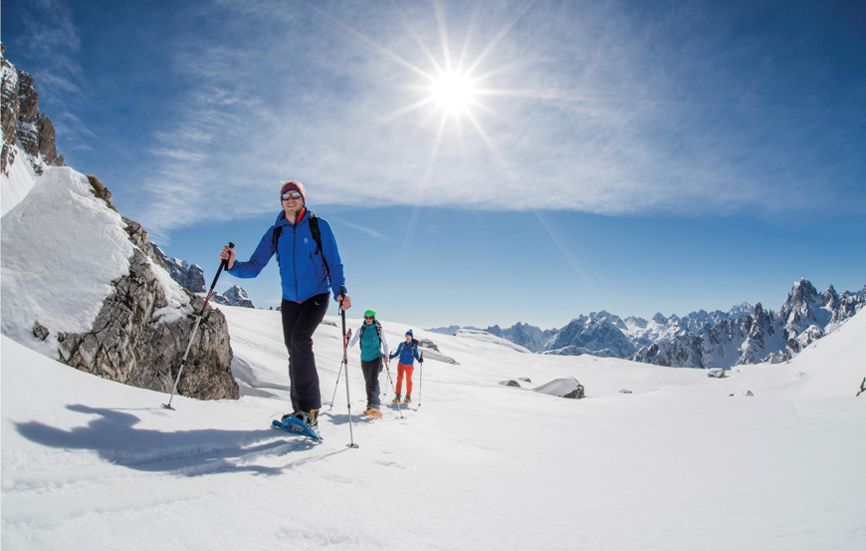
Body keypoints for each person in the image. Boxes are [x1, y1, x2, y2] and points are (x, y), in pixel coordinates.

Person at [219, 180, 351, 432]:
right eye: (286, 196)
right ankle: (297, 412)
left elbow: (334, 262)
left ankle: (311, 411)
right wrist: (233, 265)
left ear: (303, 199)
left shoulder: (317, 226)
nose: (290, 199)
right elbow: (255, 267)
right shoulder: (275, 232)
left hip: (317, 294)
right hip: (290, 300)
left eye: (295, 195)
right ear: (281, 201)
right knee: (293, 350)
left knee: (301, 340)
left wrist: (340, 290)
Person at [346, 309, 389, 418]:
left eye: (370, 317)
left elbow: (385, 344)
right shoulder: (361, 329)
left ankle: (375, 405)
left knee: (374, 379)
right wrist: (348, 337)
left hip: (376, 357)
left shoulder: (378, 329)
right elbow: (351, 344)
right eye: (366, 317)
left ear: (373, 318)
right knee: (368, 382)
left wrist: (386, 356)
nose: (368, 319)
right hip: (365, 359)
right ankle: (370, 406)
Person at [389, 329, 423, 403]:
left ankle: (408, 396)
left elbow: (416, 355)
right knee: (399, 379)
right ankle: (397, 396)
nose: (408, 337)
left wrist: (419, 359)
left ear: (411, 337)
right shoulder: (402, 344)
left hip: (409, 366)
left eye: (409, 336)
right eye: (407, 336)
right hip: (401, 364)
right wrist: (392, 356)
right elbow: (397, 353)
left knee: (408, 380)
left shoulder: (414, 346)